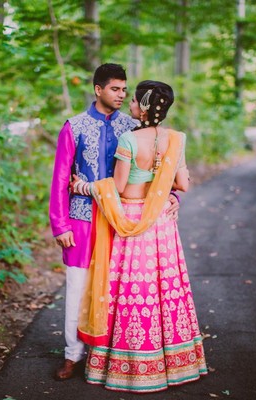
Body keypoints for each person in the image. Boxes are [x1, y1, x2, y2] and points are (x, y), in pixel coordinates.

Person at [73, 80, 208, 393]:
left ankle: (127, 366)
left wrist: (83, 187)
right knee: (162, 290)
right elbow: (183, 184)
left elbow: (116, 189)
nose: (129, 104)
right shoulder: (177, 139)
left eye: (133, 100)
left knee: (133, 292)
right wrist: (169, 195)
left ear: (142, 107)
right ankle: (173, 364)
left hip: (131, 220)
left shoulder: (128, 139)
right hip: (161, 222)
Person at [49, 65, 181, 381]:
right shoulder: (75, 127)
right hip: (82, 220)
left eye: (125, 90)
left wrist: (173, 196)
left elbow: (155, 171)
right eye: (115, 89)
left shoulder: (133, 127)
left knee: (116, 292)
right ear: (98, 90)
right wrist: (60, 224)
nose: (122, 95)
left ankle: (104, 356)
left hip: (122, 222)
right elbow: (60, 178)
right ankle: (72, 355)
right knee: (78, 288)